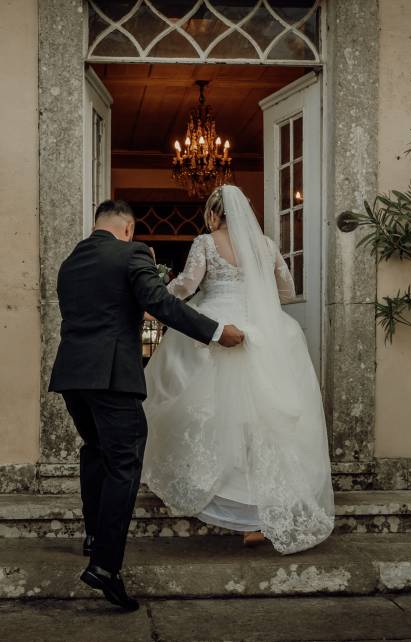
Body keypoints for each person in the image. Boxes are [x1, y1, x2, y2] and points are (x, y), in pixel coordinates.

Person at [48, 199, 245, 611]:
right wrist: (213, 331)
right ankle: (104, 567)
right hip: (112, 377)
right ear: (128, 229)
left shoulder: (71, 261)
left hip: (72, 375)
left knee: (96, 452)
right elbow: (162, 304)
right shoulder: (131, 253)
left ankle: (93, 536)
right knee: (124, 463)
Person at [142, 184, 336, 554]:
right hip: (265, 330)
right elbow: (286, 291)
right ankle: (259, 516)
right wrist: (255, 296)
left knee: (214, 415)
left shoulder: (205, 242)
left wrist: (160, 296)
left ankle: (213, 489)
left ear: (215, 212)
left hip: (217, 324)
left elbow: (186, 285)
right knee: (262, 421)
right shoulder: (265, 245)